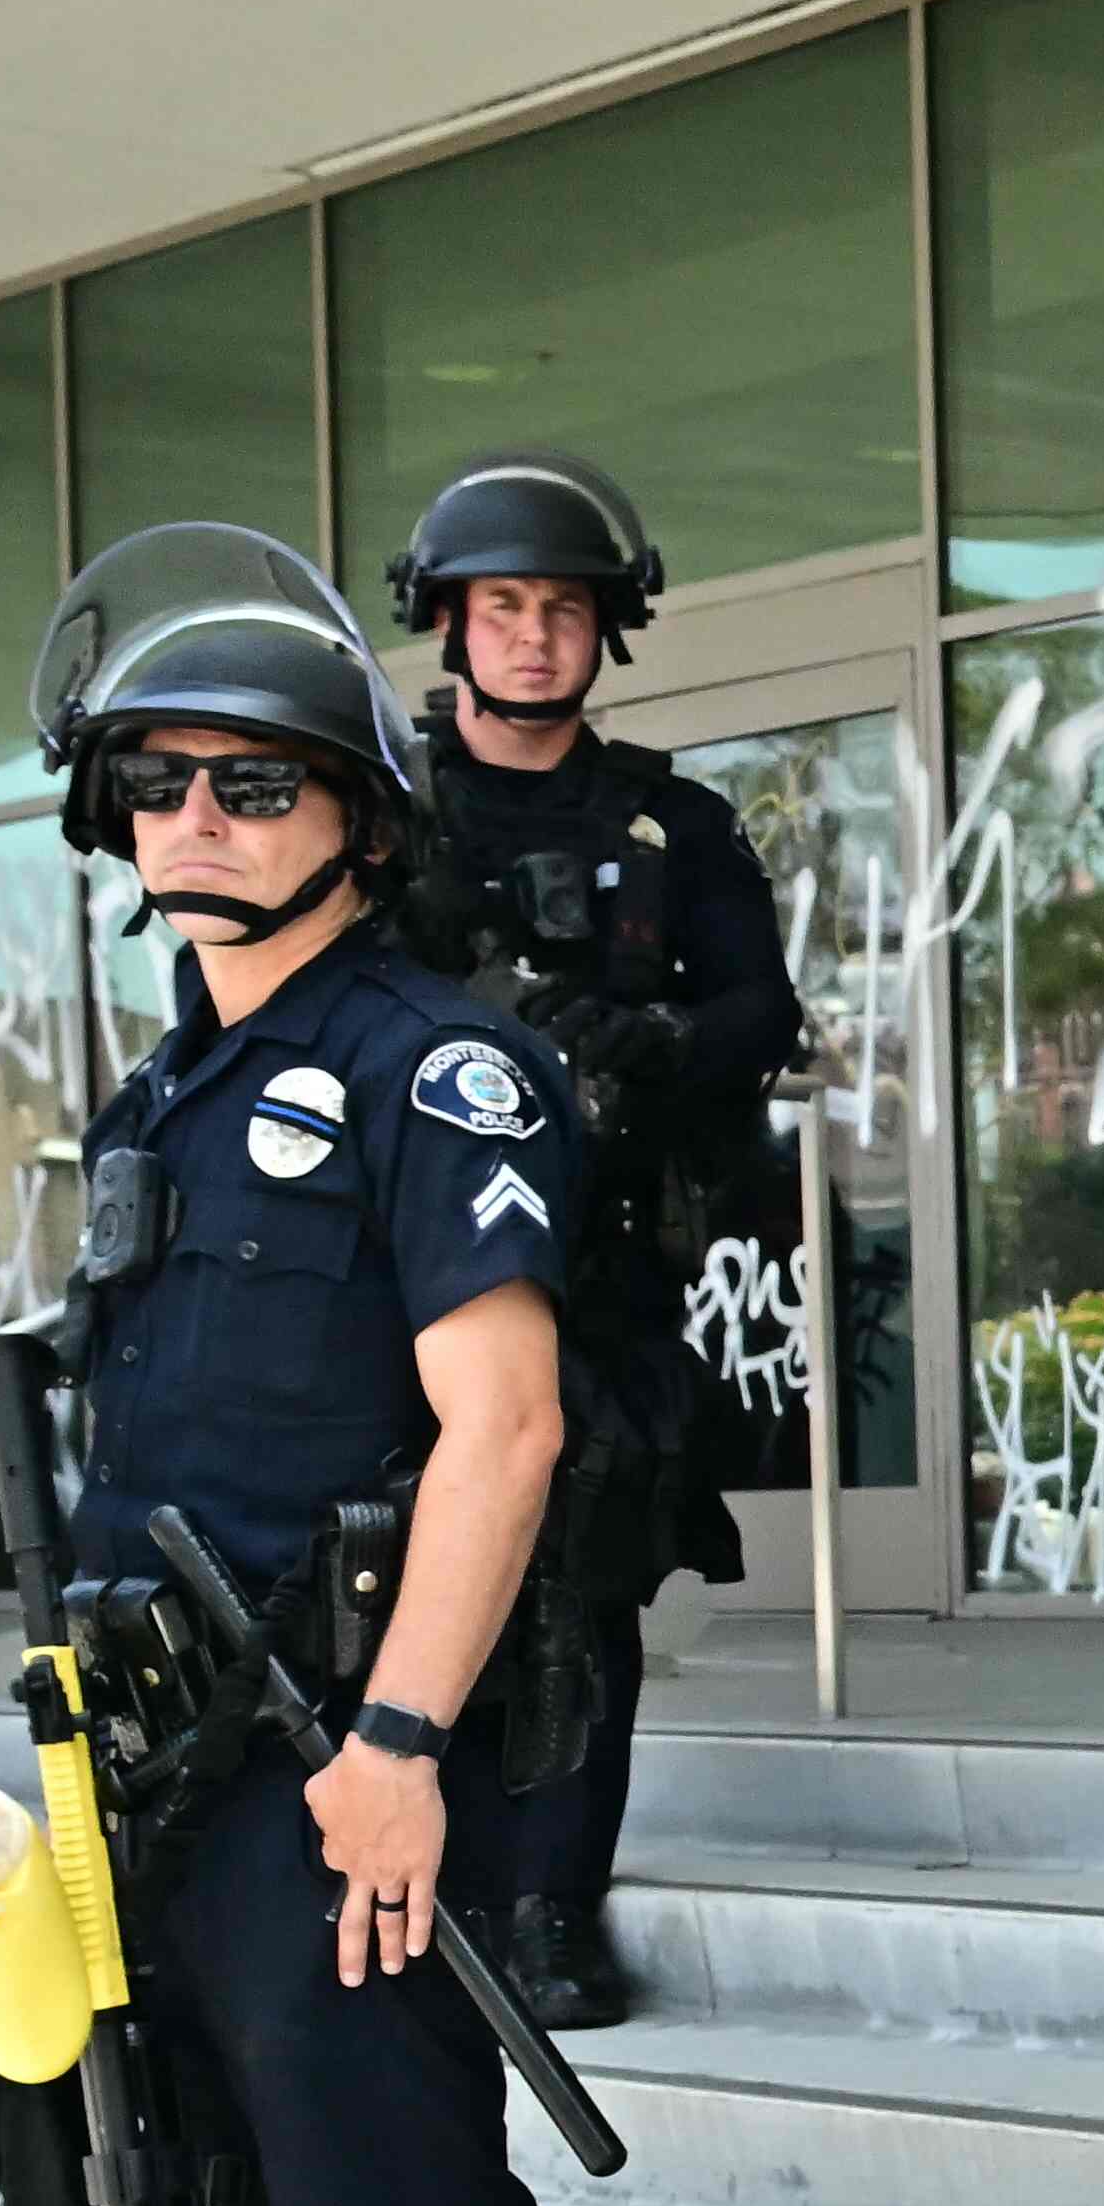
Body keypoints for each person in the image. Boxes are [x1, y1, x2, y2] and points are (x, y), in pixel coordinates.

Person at [1, 529, 634, 2206]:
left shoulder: (428, 1068)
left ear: (359, 814)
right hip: (155, 1770)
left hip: (331, 1758)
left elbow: (505, 1427)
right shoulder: (172, 1086)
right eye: (160, 784)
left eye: (255, 783)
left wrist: (398, 1738)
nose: (200, 819)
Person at [393, 457, 804, 2036]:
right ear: (451, 625)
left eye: (561, 610)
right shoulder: (389, 813)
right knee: (391, 1566)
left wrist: (655, 1046)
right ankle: (410, 1882)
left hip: (605, 1263)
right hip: (411, 1263)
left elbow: (761, 1009)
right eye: (502, 607)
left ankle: (549, 1907)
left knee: (581, 1590)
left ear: (603, 631)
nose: (532, 636)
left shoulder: (671, 823)